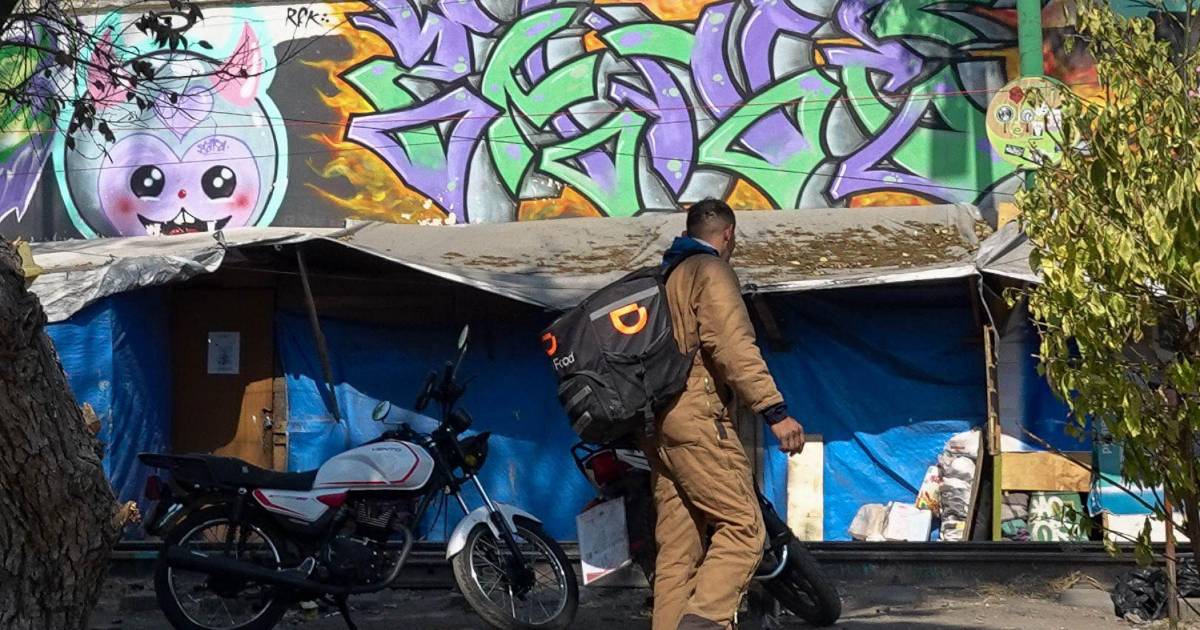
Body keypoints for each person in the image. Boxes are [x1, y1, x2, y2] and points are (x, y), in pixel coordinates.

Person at [646, 198, 806, 630]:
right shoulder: (710, 271)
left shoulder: (664, 276)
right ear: (729, 234)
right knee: (744, 527)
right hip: (697, 417)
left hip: (657, 427)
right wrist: (775, 412)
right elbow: (732, 345)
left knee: (678, 551)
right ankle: (704, 623)